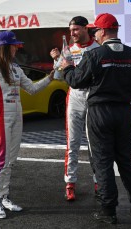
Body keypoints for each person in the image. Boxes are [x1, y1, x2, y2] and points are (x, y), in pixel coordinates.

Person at [61, 13, 131, 224]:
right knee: (126, 161)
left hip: (100, 113)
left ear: (102, 32)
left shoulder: (95, 55)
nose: (94, 35)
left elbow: (75, 81)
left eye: (95, 31)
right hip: (123, 112)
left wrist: (66, 68)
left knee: (102, 163)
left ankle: (108, 211)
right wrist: (123, 94)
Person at [0, 31, 54, 219]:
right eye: (13, 45)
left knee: (11, 160)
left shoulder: (15, 67)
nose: (16, 48)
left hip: (17, 116)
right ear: (4, 47)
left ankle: (4, 196)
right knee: (1, 160)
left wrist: (50, 78)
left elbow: (33, 89)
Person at [50, 16, 100, 201]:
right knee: (73, 144)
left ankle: (99, 182)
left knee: (96, 144)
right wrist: (57, 61)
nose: (72, 34)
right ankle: (70, 184)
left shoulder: (98, 49)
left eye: (76, 30)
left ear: (86, 29)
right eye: (70, 31)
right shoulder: (68, 50)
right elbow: (58, 76)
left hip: (94, 98)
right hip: (75, 98)